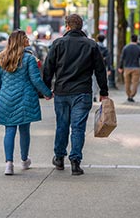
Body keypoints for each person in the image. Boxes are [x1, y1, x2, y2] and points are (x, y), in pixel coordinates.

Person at [43, 14, 109, 176]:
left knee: (62, 125)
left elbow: (48, 68)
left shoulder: (58, 44)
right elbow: (100, 70)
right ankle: (75, 161)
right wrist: (104, 91)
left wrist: (45, 89)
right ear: (81, 27)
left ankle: (59, 157)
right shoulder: (91, 45)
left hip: (62, 92)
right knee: (78, 127)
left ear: (67, 26)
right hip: (82, 92)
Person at [0, 30, 53, 176]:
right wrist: (48, 93)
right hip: (25, 99)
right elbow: (36, 80)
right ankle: (24, 160)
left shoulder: (2, 58)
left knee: (9, 130)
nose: (28, 39)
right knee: (24, 130)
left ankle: (9, 164)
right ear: (20, 41)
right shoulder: (29, 59)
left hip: (6, 99)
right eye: (25, 37)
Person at [118, 34, 140, 102]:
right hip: (136, 68)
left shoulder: (125, 48)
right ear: (136, 40)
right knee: (135, 83)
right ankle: (132, 95)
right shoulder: (139, 48)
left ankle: (128, 95)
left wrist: (120, 67)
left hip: (127, 68)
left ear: (131, 39)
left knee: (127, 83)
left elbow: (122, 58)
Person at [92, 34, 111, 101]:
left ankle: (94, 95)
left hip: (94, 67)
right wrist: (109, 68)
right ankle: (102, 94)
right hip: (103, 67)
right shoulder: (105, 49)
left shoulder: (94, 46)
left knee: (94, 82)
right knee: (103, 80)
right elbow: (108, 59)